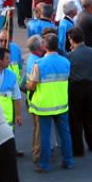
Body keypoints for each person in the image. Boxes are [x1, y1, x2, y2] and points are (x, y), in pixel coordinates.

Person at [27, 34, 74, 172]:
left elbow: (32, 85)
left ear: (45, 46)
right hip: (61, 103)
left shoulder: (39, 64)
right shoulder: (66, 62)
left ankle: (44, 164)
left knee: (45, 136)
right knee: (65, 133)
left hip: (44, 105)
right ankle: (68, 160)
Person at [66, 27, 92, 156]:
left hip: (75, 86)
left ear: (71, 40)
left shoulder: (70, 55)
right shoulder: (91, 51)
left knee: (75, 119)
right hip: (88, 85)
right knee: (88, 116)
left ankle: (78, 149)